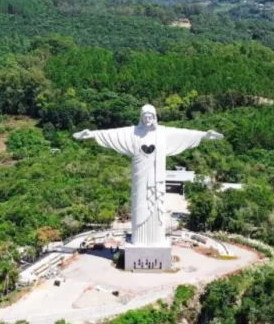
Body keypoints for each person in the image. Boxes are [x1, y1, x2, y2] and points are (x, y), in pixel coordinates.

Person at [74, 105, 222, 246]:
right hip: (140, 179)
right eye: (145, 116)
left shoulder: (163, 132)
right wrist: (91, 134)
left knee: (157, 207)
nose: (148, 118)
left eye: (151, 115)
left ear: (155, 117)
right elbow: (113, 133)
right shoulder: (132, 132)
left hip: (157, 179)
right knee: (139, 207)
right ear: (141, 117)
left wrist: (205, 135)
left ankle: (156, 239)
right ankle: (139, 239)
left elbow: (184, 134)